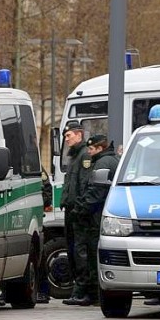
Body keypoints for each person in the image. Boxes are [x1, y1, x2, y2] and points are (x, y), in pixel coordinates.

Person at [70, 135, 119, 307]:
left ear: (99, 148)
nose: (88, 153)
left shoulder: (102, 163)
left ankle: (92, 294)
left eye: (91, 149)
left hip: (94, 217)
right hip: (104, 214)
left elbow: (95, 192)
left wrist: (81, 210)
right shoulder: (114, 160)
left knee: (91, 256)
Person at [60, 121, 92, 306]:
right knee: (73, 250)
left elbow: (85, 185)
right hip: (71, 210)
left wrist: (79, 208)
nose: (66, 139)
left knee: (80, 252)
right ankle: (78, 290)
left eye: (68, 135)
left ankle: (83, 291)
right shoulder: (74, 156)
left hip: (78, 212)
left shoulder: (84, 156)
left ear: (79, 135)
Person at [37, 170, 54, 304]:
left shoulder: (37, 168)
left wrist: (37, 204)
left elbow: (47, 195)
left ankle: (43, 291)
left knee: (39, 255)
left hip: (34, 216)